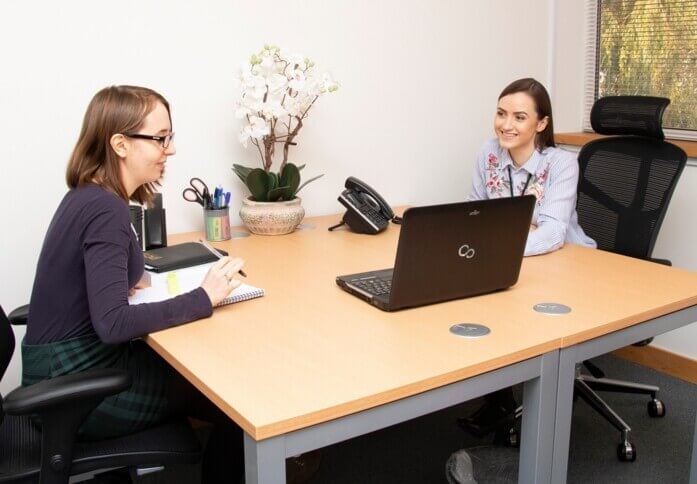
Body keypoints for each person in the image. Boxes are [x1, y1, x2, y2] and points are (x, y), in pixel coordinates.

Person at [23, 85, 246, 482]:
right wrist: (203, 297)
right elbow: (112, 323)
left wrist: (130, 276)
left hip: (60, 368)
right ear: (120, 144)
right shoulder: (105, 209)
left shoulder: (89, 195)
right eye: (161, 139)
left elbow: (105, 277)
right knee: (235, 401)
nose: (170, 150)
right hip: (77, 387)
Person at [459, 78, 595, 438]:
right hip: (518, 256)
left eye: (520, 117)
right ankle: (500, 397)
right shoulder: (489, 153)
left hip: (567, 263)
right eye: (502, 114)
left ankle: (546, 407)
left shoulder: (562, 164)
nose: (507, 124)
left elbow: (552, 234)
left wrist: (496, 246)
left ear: (541, 124)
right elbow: (476, 211)